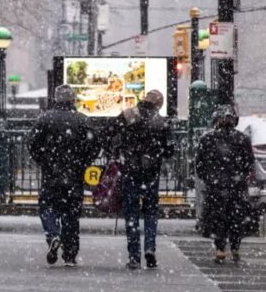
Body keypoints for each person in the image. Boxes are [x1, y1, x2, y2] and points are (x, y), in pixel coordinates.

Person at [26, 85, 99, 266]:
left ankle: (52, 234)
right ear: (72, 100)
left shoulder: (45, 119)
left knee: (48, 207)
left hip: (51, 174)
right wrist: (83, 161)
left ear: (56, 99)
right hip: (74, 175)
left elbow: (31, 142)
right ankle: (70, 255)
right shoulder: (82, 120)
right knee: (71, 215)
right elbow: (95, 145)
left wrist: (43, 159)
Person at [106, 89, 173, 270]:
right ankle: (150, 248)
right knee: (151, 212)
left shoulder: (129, 115)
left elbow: (109, 131)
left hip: (130, 171)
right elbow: (169, 150)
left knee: (132, 213)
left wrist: (119, 148)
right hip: (151, 173)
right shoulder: (162, 122)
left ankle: (134, 256)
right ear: (158, 104)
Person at [195, 105, 255, 264]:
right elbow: (249, 164)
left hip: (216, 186)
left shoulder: (207, 139)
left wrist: (209, 178)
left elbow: (200, 165)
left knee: (217, 217)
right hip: (237, 187)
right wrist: (240, 178)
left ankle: (220, 248)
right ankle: (235, 247)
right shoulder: (243, 139)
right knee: (236, 217)